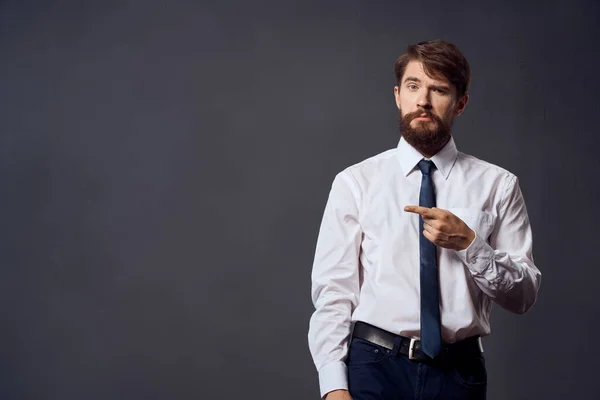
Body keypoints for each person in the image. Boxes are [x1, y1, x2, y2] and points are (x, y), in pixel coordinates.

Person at [307, 39, 542, 400]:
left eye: (439, 90)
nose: (423, 101)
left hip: (458, 373)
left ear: (460, 103)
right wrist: (333, 386)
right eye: (414, 86)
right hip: (373, 367)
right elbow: (334, 293)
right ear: (398, 95)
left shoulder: (498, 185)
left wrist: (469, 243)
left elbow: (523, 295)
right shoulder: (356, 182)